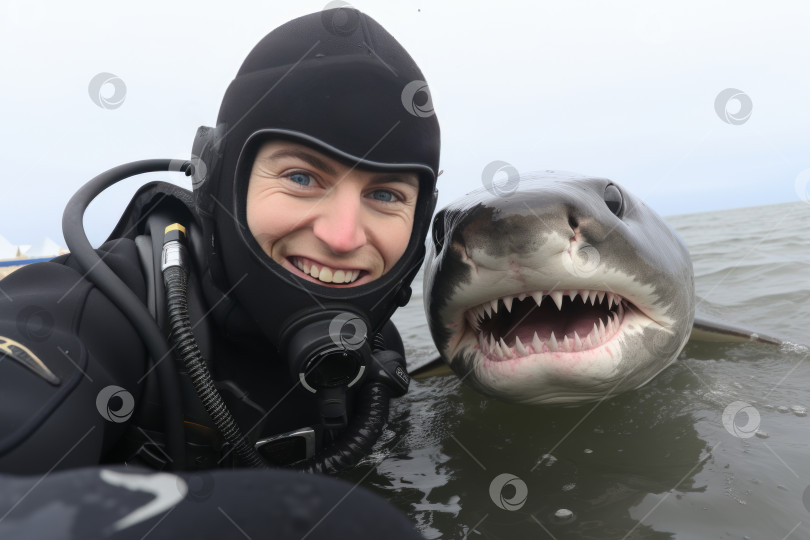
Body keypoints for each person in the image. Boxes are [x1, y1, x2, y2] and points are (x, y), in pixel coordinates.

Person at [0, 8, 439, 539]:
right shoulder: (90, 314)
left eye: (386, 194)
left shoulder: (376, 346)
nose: (344, 236)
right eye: (302, 177)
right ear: (219, 180)